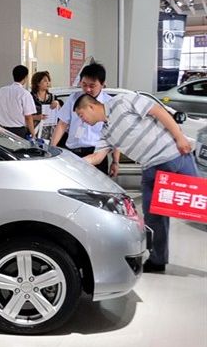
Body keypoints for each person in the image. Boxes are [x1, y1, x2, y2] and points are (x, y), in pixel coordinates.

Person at [73, 92, 196, 273]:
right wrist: (71, 163)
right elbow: (97, 157)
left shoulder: (122, 101)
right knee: (153, 217)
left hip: (174, 156)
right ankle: (157, 260)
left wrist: (179, 137)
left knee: (200, 205)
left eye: (81, 115)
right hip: (151, 169)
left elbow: (158, 111)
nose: (82, 120)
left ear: (90, 106)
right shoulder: (106, 133)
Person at [50, 62, 119, 176]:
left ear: (102, 84)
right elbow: (62, 124)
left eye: (92, 86)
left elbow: (115, 135)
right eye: (84, 84)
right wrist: (51, 148)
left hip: (97, 154)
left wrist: (115, 161)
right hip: (74, 152)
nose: (87, 89)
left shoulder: (109, 103)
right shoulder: (74, 98)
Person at [0, 65, 36, 139]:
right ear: (25, 77)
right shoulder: (24, 93)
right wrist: (33, 134)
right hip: (19, 132)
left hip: (2, 130)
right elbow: (28, 117)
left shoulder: (2, 90)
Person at [30, 71, 61, 140]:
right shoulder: (30, 97)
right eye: (45, 80)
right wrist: (36, 117)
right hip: (35, 131)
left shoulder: (53, 97)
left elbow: (61, 114)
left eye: (48, 81)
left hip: (50, 132)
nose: (48, 83)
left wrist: (57, 104)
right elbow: (24, 115)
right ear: (38, 83)